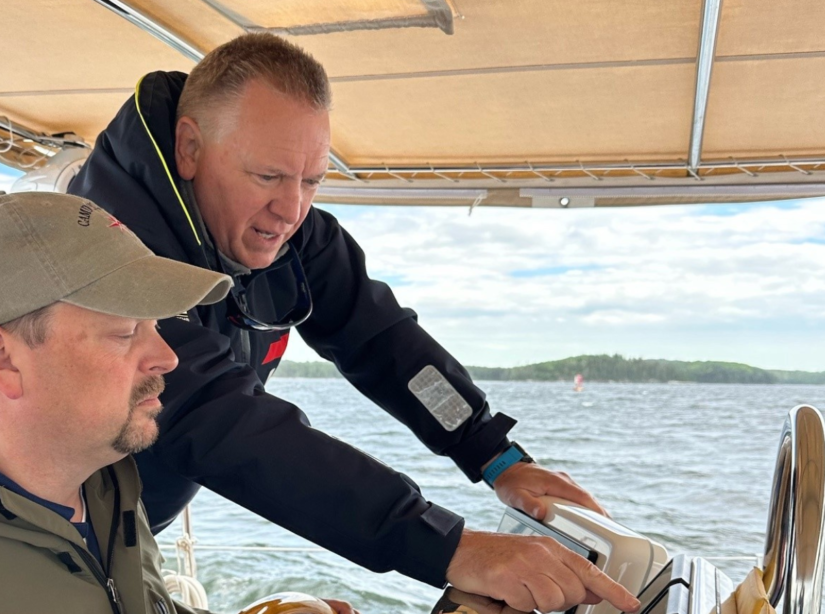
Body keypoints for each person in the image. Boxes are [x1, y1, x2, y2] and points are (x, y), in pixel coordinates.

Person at [69, 33, 640, 614]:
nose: (291, 211)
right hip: (43, 532)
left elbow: (383, 339)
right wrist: (448, 546)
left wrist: (494, 455)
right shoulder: (104, 247)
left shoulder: (288, 233)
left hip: (132, 535)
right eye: (268, 177)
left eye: (311, 180)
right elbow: (218, 420)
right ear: (190, 147)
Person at [0, 192, 347, 613]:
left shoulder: (100, 478)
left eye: (158, 325)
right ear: (3, 358)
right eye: (126, 329)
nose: (167, 357)